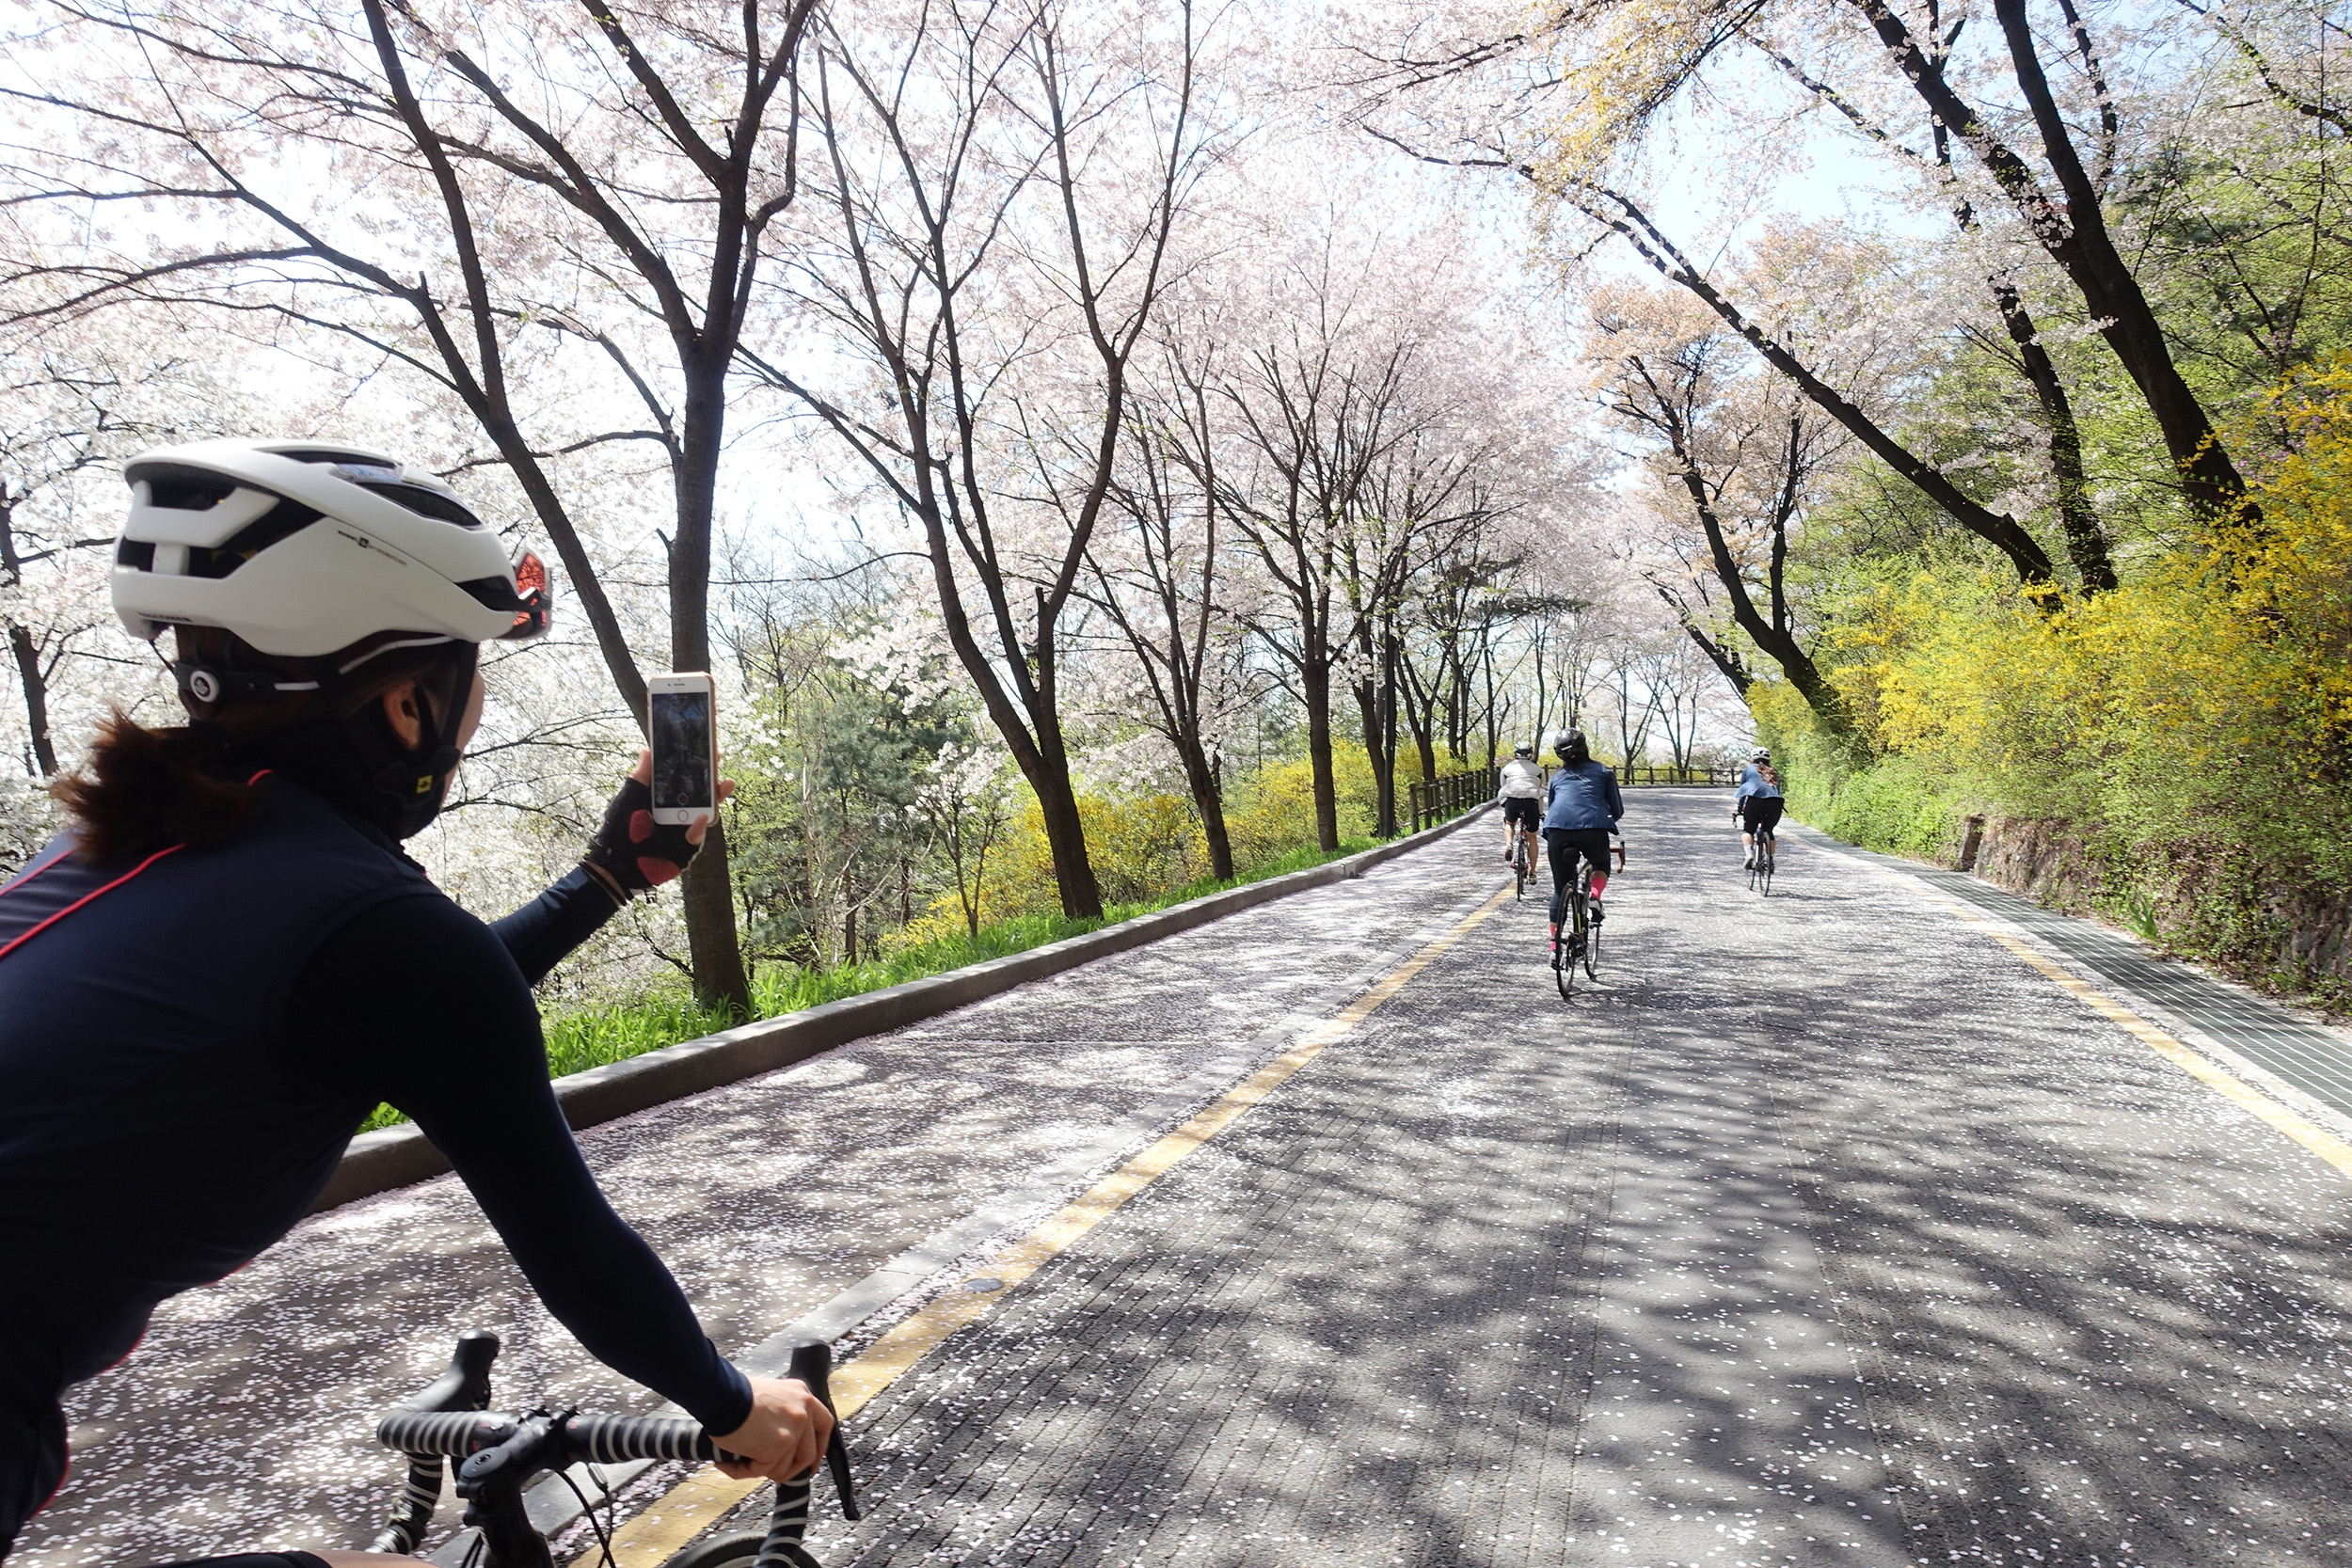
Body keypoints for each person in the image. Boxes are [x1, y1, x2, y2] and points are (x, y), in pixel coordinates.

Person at [0, 441, 828, 1566]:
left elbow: (411, 1006)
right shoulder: (371, 925)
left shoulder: (112, 853)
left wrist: (605, 877)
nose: (475, 708)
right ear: (404, 704)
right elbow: (573, 1242)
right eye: (470, 675)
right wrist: (732, 1403)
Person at [1540, 728, 1623, 951]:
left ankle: (1555, 946)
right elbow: (1617, 810)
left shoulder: (1557, 777)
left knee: (1560, 889)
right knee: (1601, 864)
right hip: (1593, 829)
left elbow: (1553, 807)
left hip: (1557, 830)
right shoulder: (1603, 772)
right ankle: (1594, 895)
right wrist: (1601, 820)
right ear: (1585, 747)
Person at [1495, 740, 1544, 867]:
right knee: (1532, 836)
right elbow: (1540, 789)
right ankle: (1532, 871)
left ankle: (1509, 844)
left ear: (1514, 755)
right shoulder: (1538, 770)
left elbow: (1503, 786)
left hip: (1512, 800)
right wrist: (1540, 812)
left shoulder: (1507, 769)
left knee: (1510, 823)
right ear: (1531, 755)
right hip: (1531, 801)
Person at [1734, 746, 1785, 867]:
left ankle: (1749, 855)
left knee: (1749, 831)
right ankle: (1770, 860)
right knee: (1769, 831)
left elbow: (1743, 791)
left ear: (1752, 759)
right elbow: (1777, 790)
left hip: (1755, 802)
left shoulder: (1748, 770)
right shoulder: (1774, 771)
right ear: (1769, 760)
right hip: (1775, 803)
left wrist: (1739, 809)